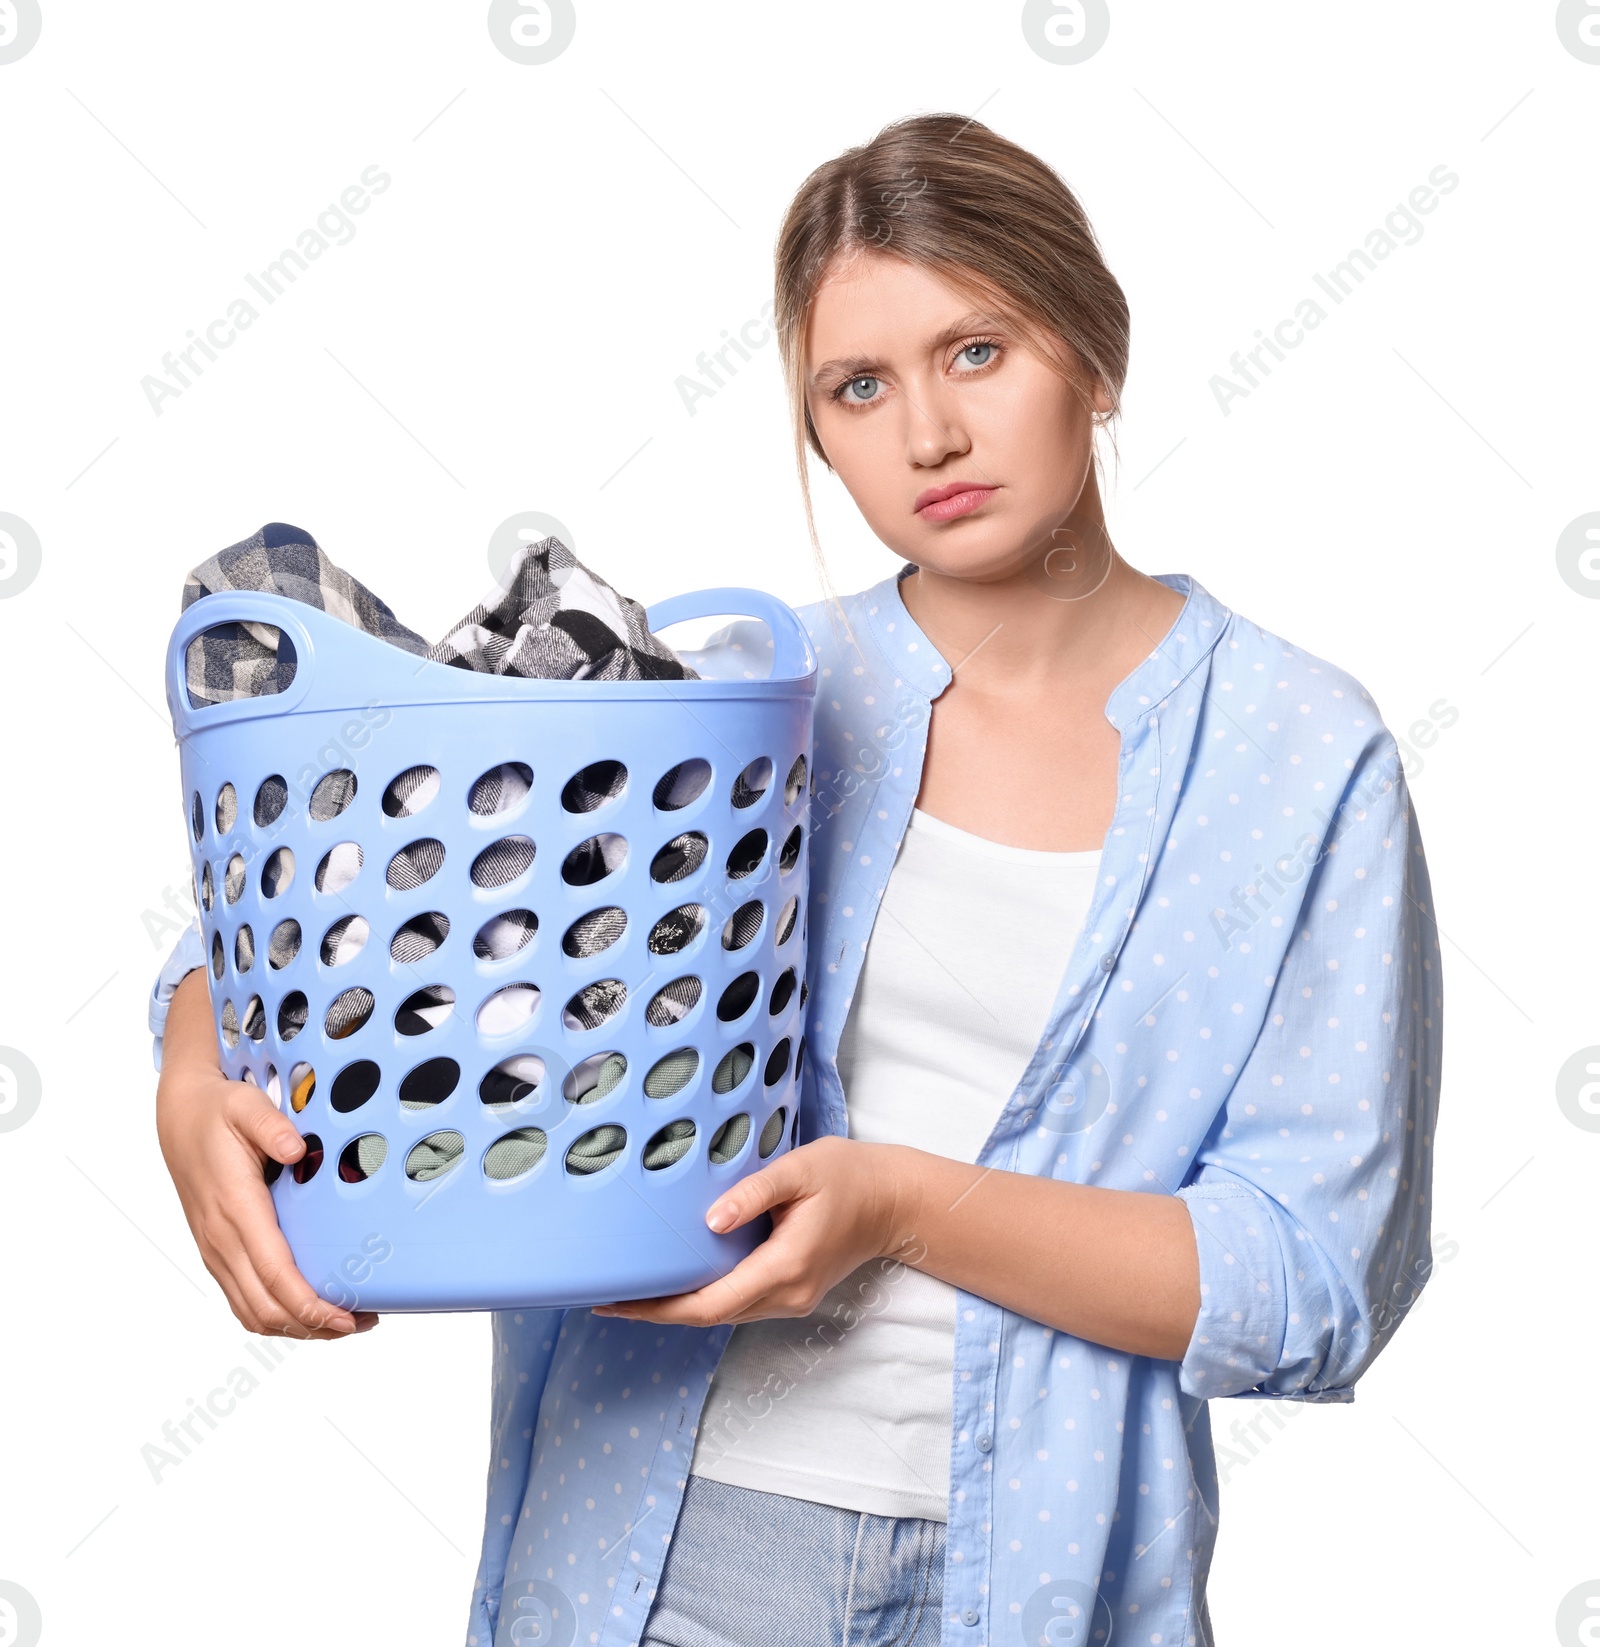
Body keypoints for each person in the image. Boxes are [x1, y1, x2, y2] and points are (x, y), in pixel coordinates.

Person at [150, 114, 1444, 1646]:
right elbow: (368, 914)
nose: (929, 438)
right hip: (667, 1555)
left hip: (1037, 1571)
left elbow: (1306, 1281)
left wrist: (901, 1207)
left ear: (1095, 357)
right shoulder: (733, 706)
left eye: (979, 352)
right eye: (859, 386)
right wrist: (188, 1068)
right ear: (817, 427)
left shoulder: (1299, 757)